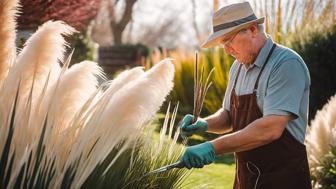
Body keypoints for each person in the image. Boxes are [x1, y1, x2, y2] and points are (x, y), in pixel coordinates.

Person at [179, 2, 312, 189]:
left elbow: (270, 128)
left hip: (283, 179)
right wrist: (204, 124)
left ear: (252, 30)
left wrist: (213, 147)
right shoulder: (238, 68)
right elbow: (228, 116)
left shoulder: (286, 64)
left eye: (228, 40)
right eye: (222, 44)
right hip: (246, 179)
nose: (226, 50)